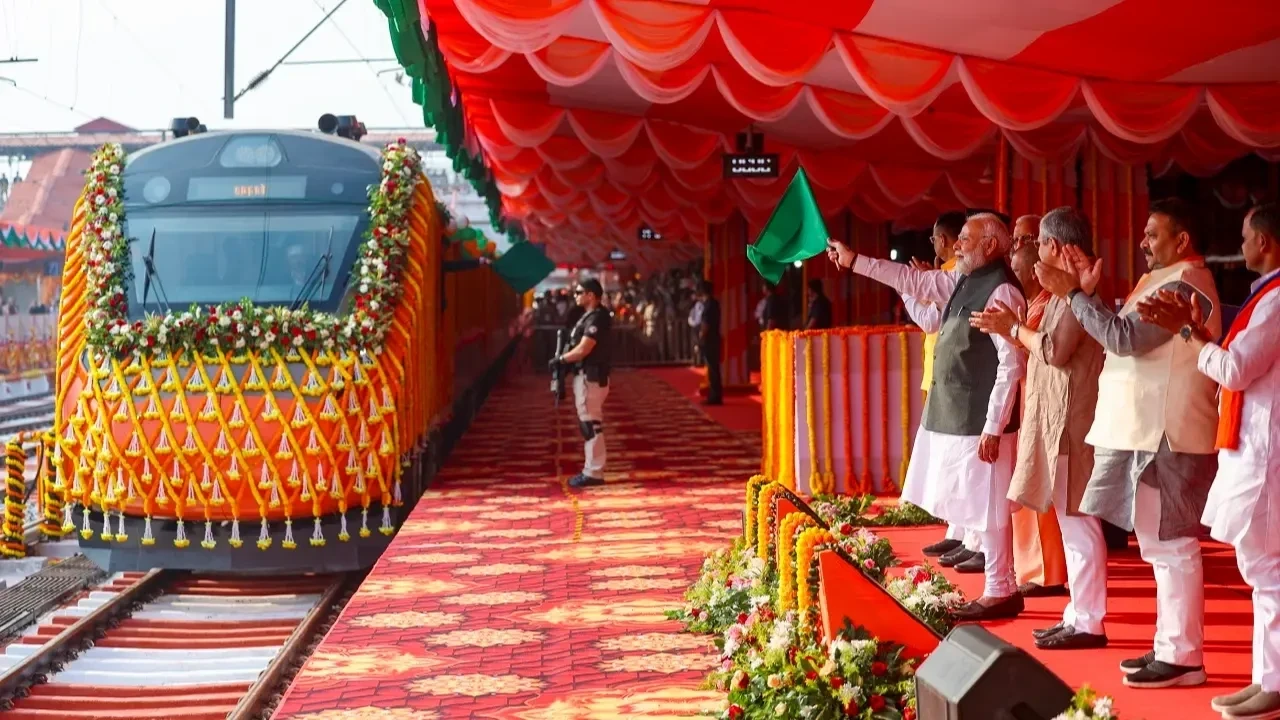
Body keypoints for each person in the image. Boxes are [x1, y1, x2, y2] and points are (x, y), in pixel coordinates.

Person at [1036, 197, 1220, 689]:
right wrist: (1082, 294)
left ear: (1181, 241)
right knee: (1159, 545)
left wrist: (1075, 296)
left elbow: (1122, 339)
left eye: (1153, 233)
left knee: (1174, 545)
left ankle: (1184, 656)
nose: (1143, 241)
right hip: (1147, 429)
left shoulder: (1187, 284)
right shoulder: (1161, 280)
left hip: (1170, 430)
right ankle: (1171, 647)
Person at [829, 213, 1026, 620]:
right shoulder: (962, 281)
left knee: (987, 506)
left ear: (990, 246)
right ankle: (997, 584)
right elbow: (911, 282)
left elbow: (1011, 365)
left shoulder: (1003, 291)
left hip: (982, 418)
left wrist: (994, 425)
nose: (957, 247)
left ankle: (1001, 588)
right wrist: (855, 262)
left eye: (965, 240)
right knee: (971, 502)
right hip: (955, 411)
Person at [1137, 203, 1280, 718]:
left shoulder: (1277, 299)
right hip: (1253, 444)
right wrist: (1195, 334)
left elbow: (1235, 370)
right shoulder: (1265, 296)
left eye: (1244, 236)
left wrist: (1188, 334)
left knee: (1268, 569)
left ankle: (1275, 681)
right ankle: (1267, 676)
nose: (1240, 245)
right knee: (1259, 566)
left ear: (1264, 241)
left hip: (1267, 450)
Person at [972, 207, 1107, 649]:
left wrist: (1013, 329)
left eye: (1041, 246)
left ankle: (1089, 621)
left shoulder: (1076, 292)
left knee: (1079, 523)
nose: (1035, 257)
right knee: (1070, 522)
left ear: (1055, 247)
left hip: (1073, 423)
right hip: (1059, 419)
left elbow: (1054, 350)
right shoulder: (1064, 292)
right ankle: (1077, 614)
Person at [906, 211, 984, 569]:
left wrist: (909, 287)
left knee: (960, 462)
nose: (936, 245)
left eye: (937, 238)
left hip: (954, 379)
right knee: (949, 461)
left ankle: (971, 536)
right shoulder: (950, 274)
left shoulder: (955, 275)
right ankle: (960, 531)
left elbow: (928, 320)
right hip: (943, 376)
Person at [1006, 236, 1070, 599]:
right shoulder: (1031, 303)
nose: (1013, 277)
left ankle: (1048, 573)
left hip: (1045, 404)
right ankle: (1034, 568)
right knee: (1028, 488)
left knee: (1041, 489)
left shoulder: (1048, 305)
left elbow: (1041, 346)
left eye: (1017, 270)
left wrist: (1011, 329)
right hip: (1029, 403)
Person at [548, 278, 613, 489]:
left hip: (591, 377)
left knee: (590, 424)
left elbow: (585, 348)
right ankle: (593, 468)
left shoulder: (598, 318)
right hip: (586, 376)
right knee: (590, 423)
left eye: (579, 292)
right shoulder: (588, 316)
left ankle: (593, 471)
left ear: (591, 295)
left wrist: (562, 360)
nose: (576, 296)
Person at [697, 279, 722, 405]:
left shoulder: (709, 305)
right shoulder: (715, 303)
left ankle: (714, 396)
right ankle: (715, 394)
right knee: (714, 368)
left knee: (712, 368)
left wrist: (701, 337)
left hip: (710, 339)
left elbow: (706, 324)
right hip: (715, 338)